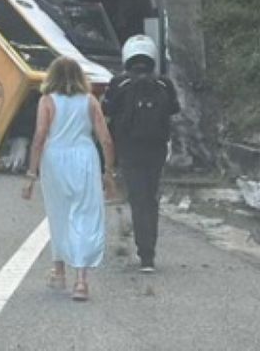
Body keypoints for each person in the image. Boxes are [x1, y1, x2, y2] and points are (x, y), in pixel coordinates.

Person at [22, 57, 117, 301]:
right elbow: (105, 138)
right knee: (85, 215)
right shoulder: (89, 101)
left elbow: (40, 136)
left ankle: (59, 271)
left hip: (55, 159)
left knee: (59, 214)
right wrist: (109, 172)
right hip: (85, 158)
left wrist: (31, 174)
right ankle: (82, 281)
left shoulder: (47, 101)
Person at [104, 34, 180, 273]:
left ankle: (143, 252)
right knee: (151, 197)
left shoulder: (119, 83)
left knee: (137, 199)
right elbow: (174, 109)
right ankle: (150, 253)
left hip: (129, 148)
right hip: (156, 149)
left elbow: (107, 109)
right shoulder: (164, 84)